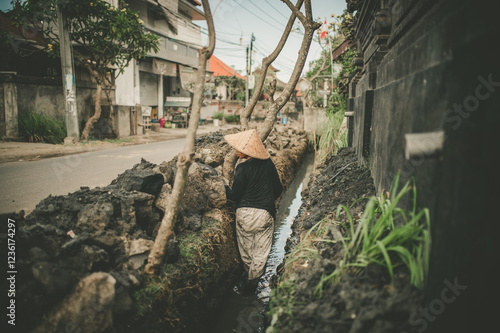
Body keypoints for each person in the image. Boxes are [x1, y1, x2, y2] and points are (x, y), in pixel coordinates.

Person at [224, 129, 283, 294]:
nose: (236, 151)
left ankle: (247, 281)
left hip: (244, 214)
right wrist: (268, 198)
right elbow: (278, 189)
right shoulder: (268, 164)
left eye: (239, 148)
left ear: (247, 151)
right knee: (261, 252)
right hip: (265, 214)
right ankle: (252, 283)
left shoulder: (242, 169)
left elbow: (235, 196)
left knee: (247, 250)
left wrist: (224, 188)